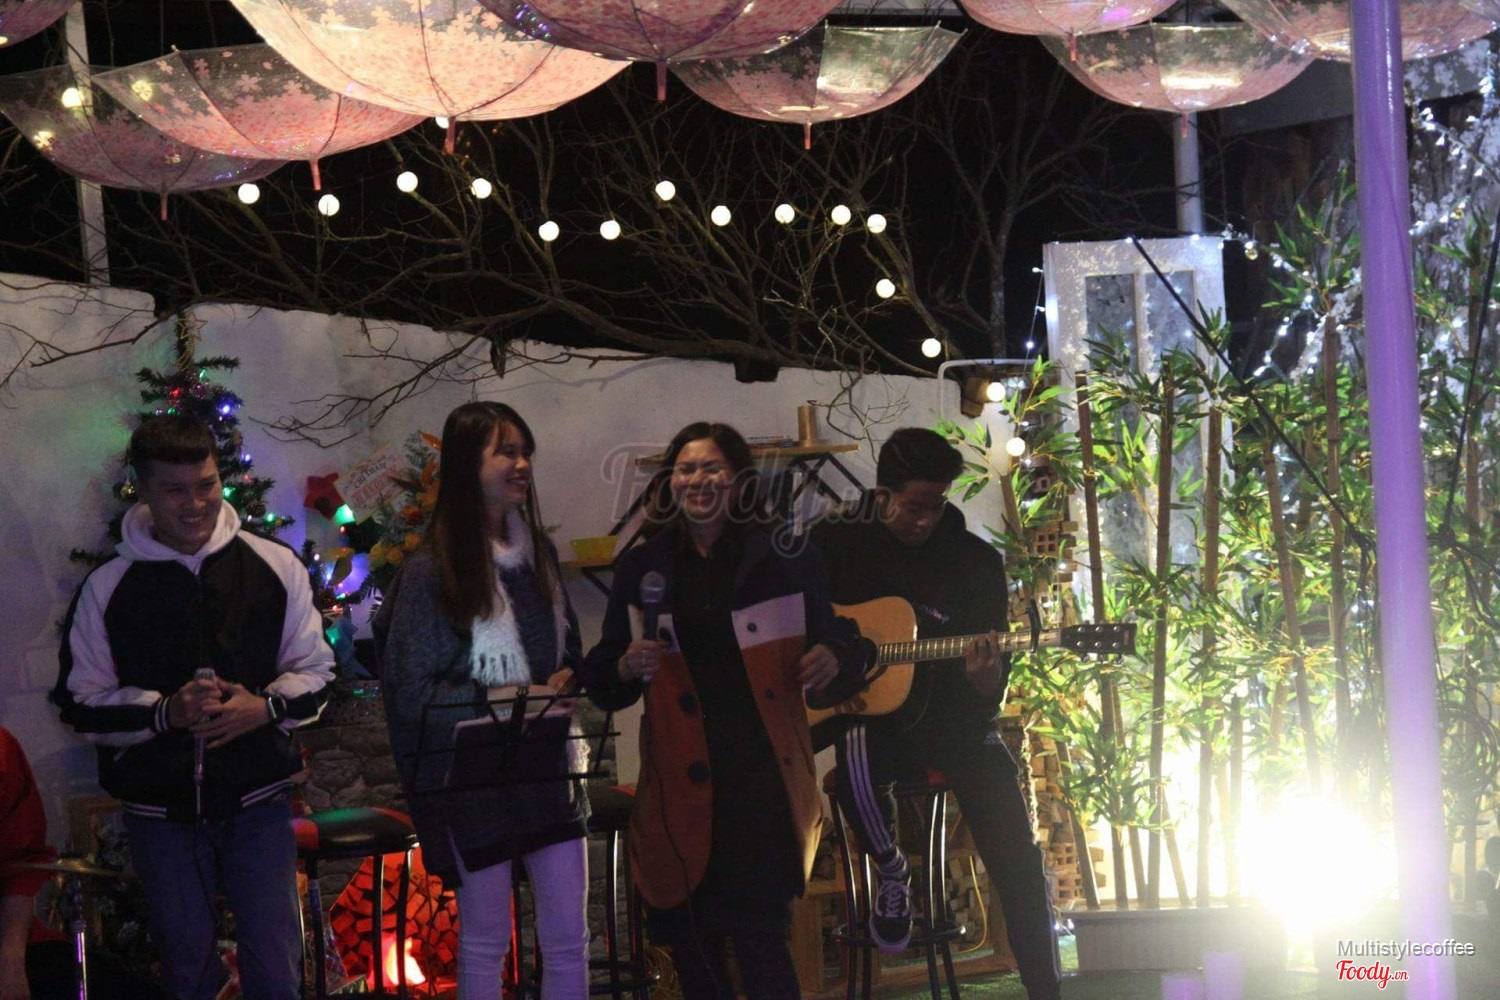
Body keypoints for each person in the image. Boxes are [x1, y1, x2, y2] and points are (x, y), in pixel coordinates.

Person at [583, 421, 871, 1000]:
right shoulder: (644, 567)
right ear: (670, 482)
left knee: (763, 945)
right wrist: (623, 666)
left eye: (712, 468)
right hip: (679, 787)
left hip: (763, 784)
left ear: (740, 481)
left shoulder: (786, 557)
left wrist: (834, 654)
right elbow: (605, 673)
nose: (698, 480)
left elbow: (844, 639)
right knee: (696, 951)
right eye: (686, 469)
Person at [51, 414, 335, 1000]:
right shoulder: (107, 586)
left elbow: (318, 671)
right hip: (161, 813)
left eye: (206, 484)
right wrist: (163, 714)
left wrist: (265, 708)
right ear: (143, 489)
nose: (196, 503)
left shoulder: (276, 564)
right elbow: (80, 703)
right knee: (187, 973)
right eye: (175, 490)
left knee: (277, 971)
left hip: (259, 802)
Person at [810, 427, 1062, 1000]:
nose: (924, 520)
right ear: (882, 494)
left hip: (957, 726)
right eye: (913, 506)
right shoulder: (834, 544)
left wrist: (985, 678)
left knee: (1017, 856)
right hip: (873, 721)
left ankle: (1046, 987)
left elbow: (990, 691)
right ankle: (890, 867)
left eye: (937, 505)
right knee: (855, 762)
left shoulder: (975, 563)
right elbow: (793, 614)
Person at [374, 401, 590, 1000]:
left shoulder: (539, 554)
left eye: (525, 452)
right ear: (469, 464)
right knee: (485, 941)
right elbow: (411, 693)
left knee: (569, 940)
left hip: (545, 766)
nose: (522, 464)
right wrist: (509, 697)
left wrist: (568, 679)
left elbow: (569, 649)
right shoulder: (430, 571)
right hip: (467, 778)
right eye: (506, 452)